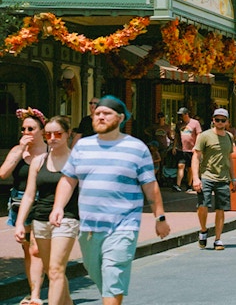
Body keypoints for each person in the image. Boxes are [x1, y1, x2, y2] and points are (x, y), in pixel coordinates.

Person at [52, 96, 170, 305]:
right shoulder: (82, 147)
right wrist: (58, 207)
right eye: (97, 113)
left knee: (113, 276)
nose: (100, 116)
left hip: (123, 226)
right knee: (97, 274)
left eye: (106, 113)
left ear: (121, 118)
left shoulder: (136, 148)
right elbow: (68, 180)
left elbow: (150, 186)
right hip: (89, 228)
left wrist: (159, 218)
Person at [15, 116, 78, 305]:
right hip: (40, 219)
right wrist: (20, 222)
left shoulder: (76, 161)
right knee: (52, 271)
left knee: (57, 269)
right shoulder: (39, 161)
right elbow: (29, 194)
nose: (52, 138)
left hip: (67, 218)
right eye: (48, 134)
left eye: (58, 134)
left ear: (67, 135)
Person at [2, 107, 47, 305]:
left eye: (31, 129)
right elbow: (3, 173)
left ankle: (37, 294)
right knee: (28, 250)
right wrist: (21, 149)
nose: (26, 133)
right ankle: (33, 291)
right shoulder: (18, 150)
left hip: (44, 200)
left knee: (37, 249)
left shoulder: (49, 150)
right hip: (21, 201)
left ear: (41, 131)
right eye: (23, 129)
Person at [192, 108, 236, 251]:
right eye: (217, 120)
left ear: (227, 122)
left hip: (223, 178)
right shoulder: (205, 136)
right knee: (203, 205)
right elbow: (196, 156)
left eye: (222, 120)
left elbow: (230, 158)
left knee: (220, 209)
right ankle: (203, 230)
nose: (220, 123)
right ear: (213, 120)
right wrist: (195, 178)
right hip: (207, 176)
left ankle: (218, 239)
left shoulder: (229, 137)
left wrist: (233, 178)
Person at [173, 107, 201, 192]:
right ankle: (178, 184)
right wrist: (174, 146)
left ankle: (189, 185)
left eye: (181, 115)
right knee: (180, 165)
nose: (180, 117)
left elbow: (199, 134)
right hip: (182, 149)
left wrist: (197, 146)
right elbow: (177, 136)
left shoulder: (195, 123)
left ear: (186, 114)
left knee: (190, 168)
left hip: (192, 149)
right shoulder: (179, 124)